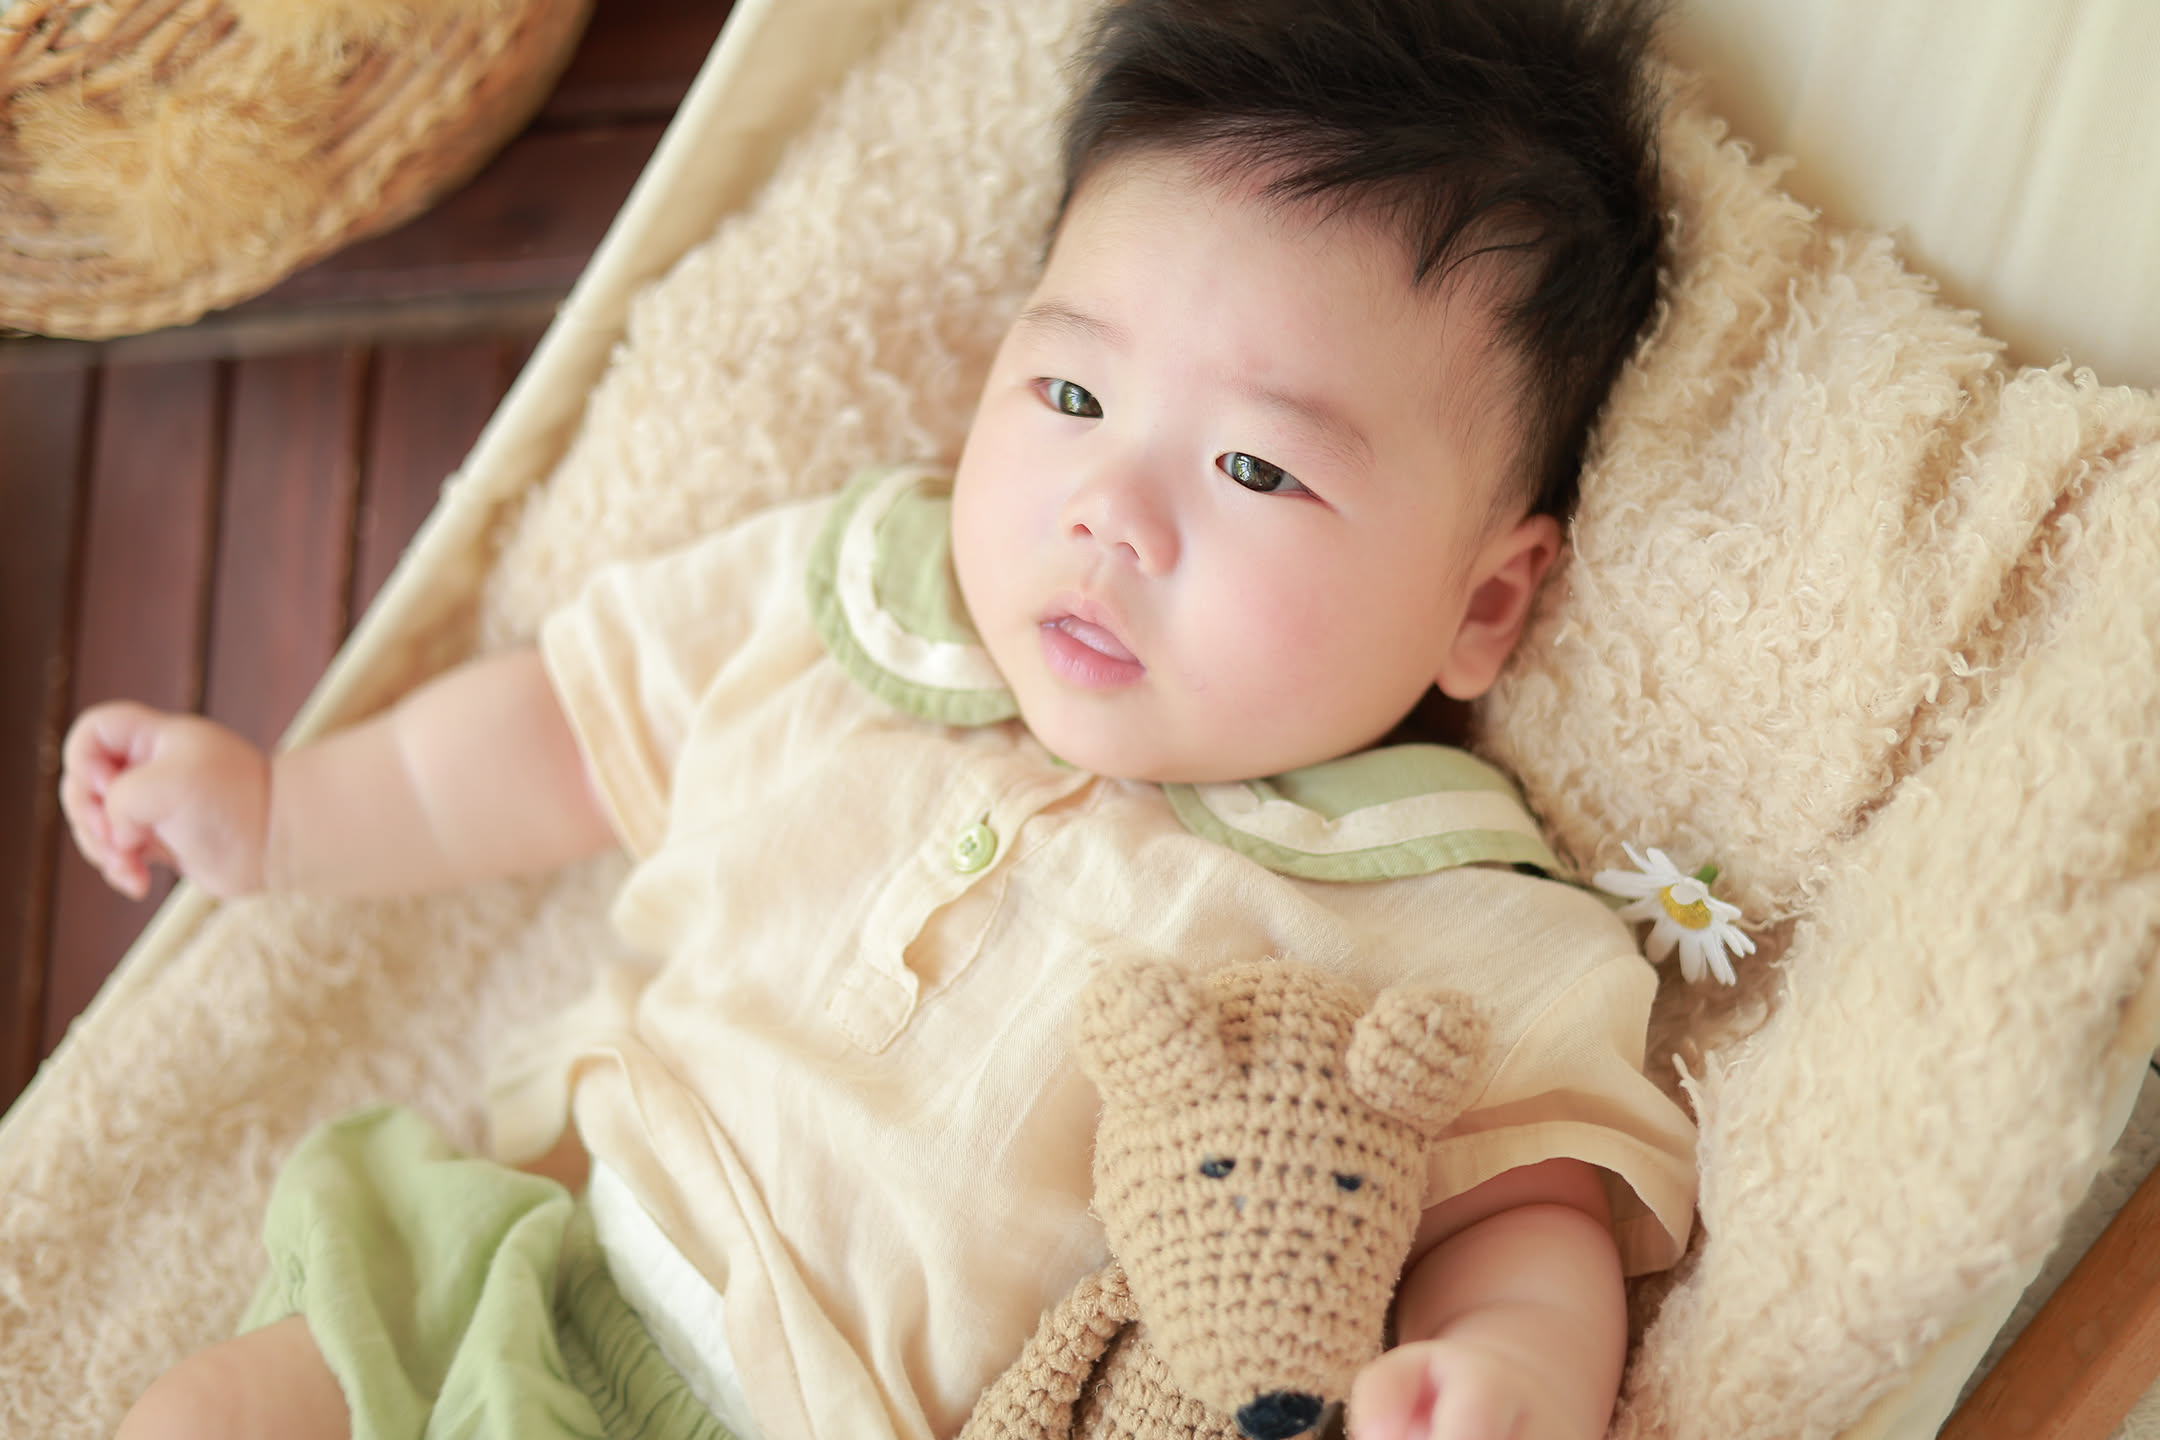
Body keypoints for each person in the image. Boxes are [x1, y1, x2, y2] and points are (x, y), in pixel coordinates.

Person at [61, 0, 1697, 1436]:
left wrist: (1504, 1374)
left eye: (1257, 467)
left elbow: (1528, 1218)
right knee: (206, 1414)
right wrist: (280, 812)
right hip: (535, 1255)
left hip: (837, 1413)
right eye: (1073, 395)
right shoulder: (859, 609)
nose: (1109, 509)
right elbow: (564, 724)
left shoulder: (1443, 914)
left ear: (1486, 603)